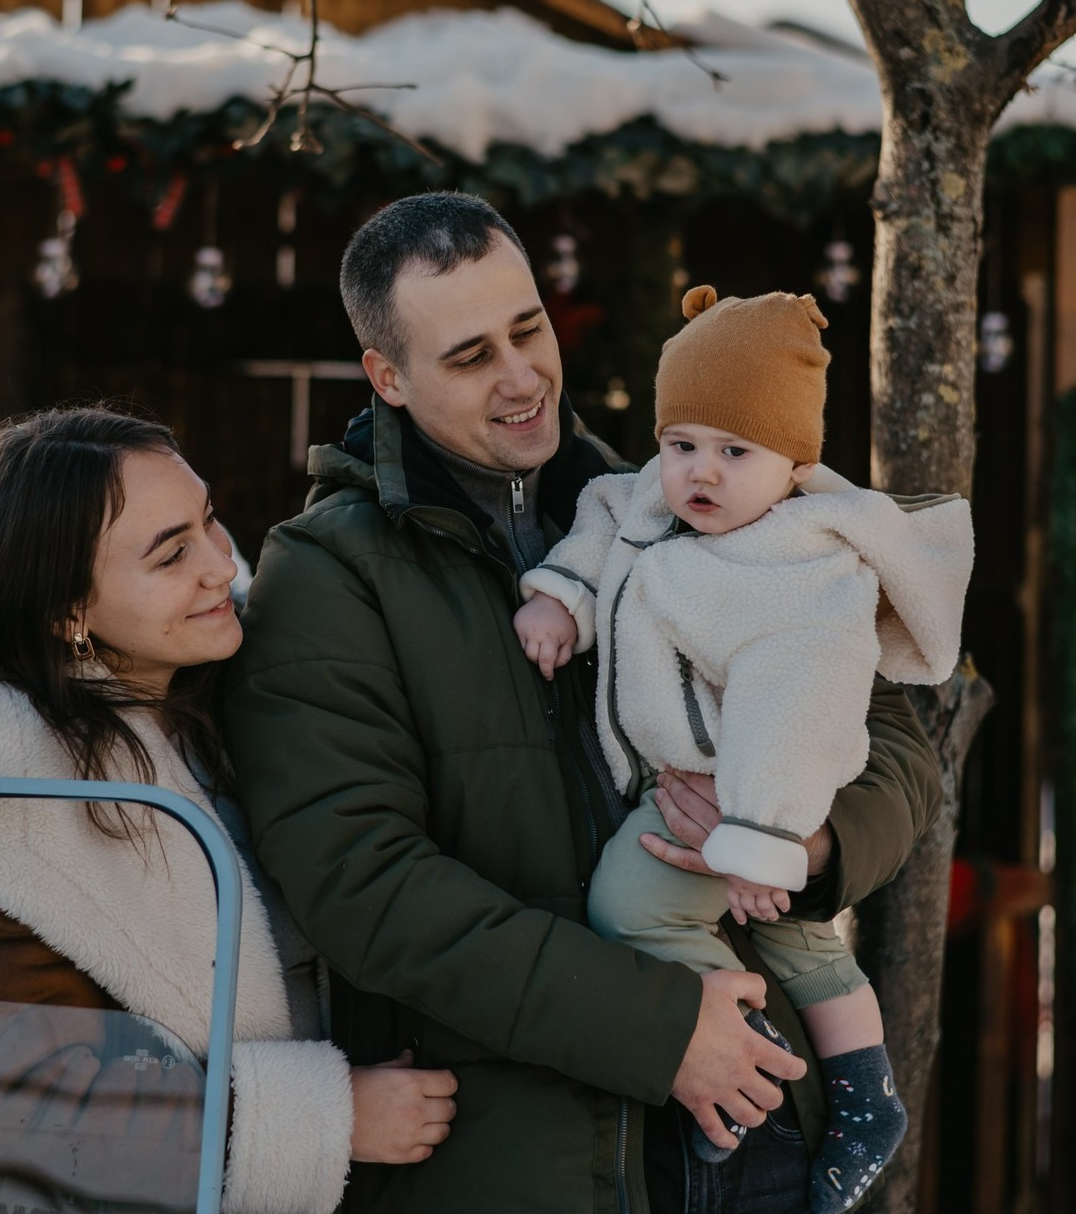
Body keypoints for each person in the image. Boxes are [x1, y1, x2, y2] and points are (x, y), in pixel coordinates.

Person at [225, 192, 943, 1214]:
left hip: (766, 1127)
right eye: (470, 356)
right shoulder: (330, 573)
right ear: (387, 376)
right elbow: (361, 881)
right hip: (527, 1154)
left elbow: (890, 738)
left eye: (527, 328)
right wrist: (656, 1029)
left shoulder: (673, 494)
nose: (522, 378)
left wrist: (802, 835)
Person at [0, 405, 457, 1214]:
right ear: (65, 611)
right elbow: (32, 1104)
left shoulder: (249, 705)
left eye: (209, 520)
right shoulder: (0, 783)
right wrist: (327, 1117)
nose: (221, 565)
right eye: (170, 553)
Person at [514, 284, 973, 1212]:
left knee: (630, 903)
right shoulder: (652, 498)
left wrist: (764, 836)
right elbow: (606, 522)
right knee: (796, 935)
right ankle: (863, 1090)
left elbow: (796, 701)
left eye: (734, 452)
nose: (699, 474)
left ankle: (745, 1067)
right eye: (681, 444)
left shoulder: (801, 565)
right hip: (713, 787)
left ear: (796, 464)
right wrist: (560, 598)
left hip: (764, 786)